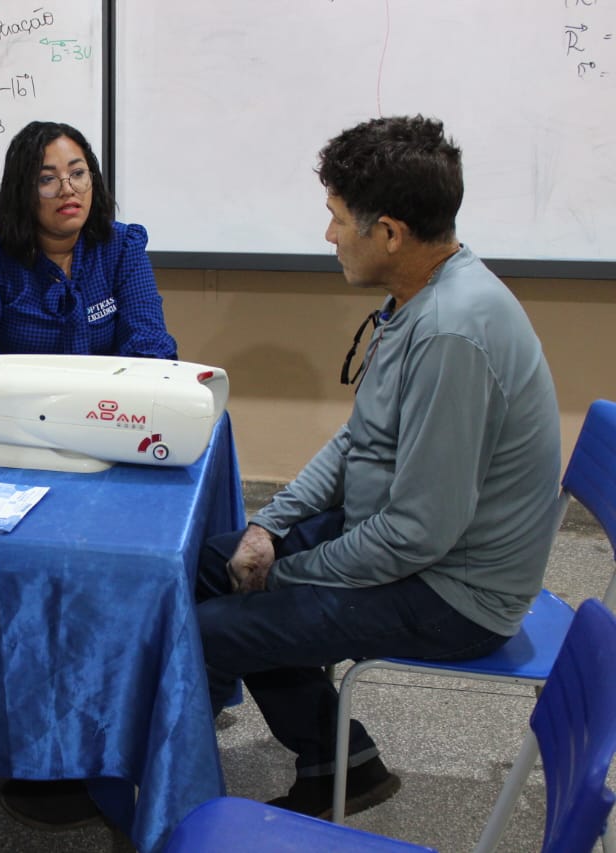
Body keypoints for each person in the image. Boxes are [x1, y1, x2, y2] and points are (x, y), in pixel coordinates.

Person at [196, 115, 561, 819]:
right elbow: (356, 441)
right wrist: (270, 526)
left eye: (337, 219)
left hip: (455, 594)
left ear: (389, 232)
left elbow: (421, 533)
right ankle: (345, 763)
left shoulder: (455, 331)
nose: (330, 235)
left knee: (210, 628)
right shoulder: (420, 296)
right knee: (207, 565)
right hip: (410, 542)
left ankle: (175, 793)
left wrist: (287, 573)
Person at [0, 120, 178, 386]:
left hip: (105, 412)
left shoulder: (121, 247)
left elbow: (151, 347)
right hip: (17, 413)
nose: (68, 189)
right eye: (47, 179)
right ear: (22, 192)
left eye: (78, 173)